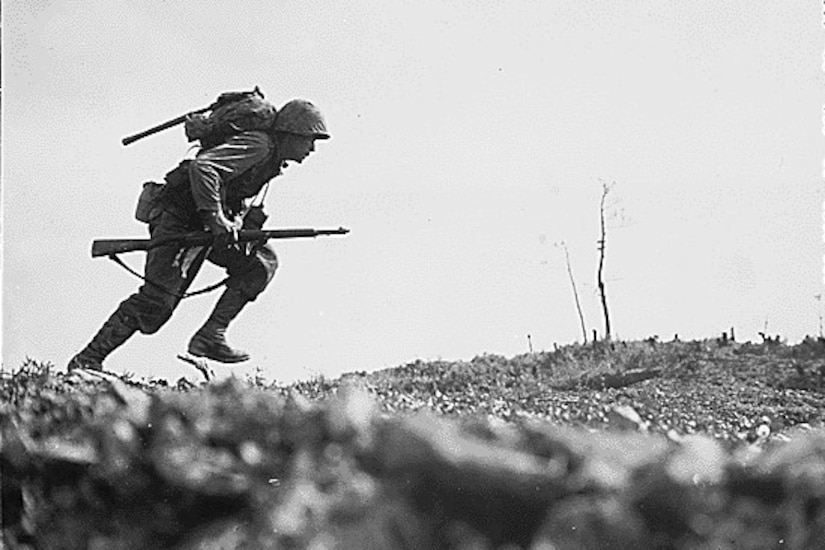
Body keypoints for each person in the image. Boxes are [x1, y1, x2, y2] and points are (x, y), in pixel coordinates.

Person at [68, 99, 330, 371]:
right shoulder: (260, 145)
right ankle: (87, 359)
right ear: (291, 133)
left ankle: (210, 335)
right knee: (156, 303)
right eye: (310, 139)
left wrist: (235, 221)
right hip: (179, 220)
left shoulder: (271, 157)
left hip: (204, 224)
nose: (312, 148)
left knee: (260, 263)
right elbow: (204, 168)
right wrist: (216, 218)